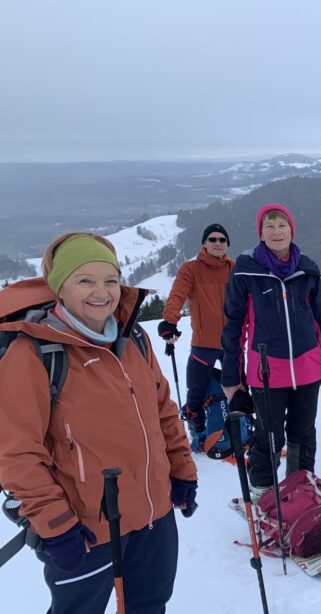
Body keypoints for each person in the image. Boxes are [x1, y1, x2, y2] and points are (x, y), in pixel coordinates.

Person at [0, 232, 198, 614]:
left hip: (154, 518)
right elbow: (17, 453)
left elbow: (163, 411)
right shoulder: (34, 353)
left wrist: (182, 470)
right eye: (85, 280)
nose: (101, 292)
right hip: (86, 531)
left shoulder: (133, 337)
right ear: (60, 287)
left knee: (150, 606)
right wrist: (56, 525)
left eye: (110, 280)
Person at [221, 204, 321, 495]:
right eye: (270, 226)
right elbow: (234, 327)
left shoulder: (307, 269)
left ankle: (300, 488)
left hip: (308, 368)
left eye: (282, 225)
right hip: (266, 371)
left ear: (292, 230)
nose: (276, 232)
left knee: (304, 434)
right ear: (260, 232)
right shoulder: (246, 271)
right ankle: (263, 491)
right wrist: (231, 377)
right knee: (270, 436)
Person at [159, 223, 234, 449]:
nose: (218, 243)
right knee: (196, 389)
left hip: (232, 341)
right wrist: (170, 322)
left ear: (227, 244)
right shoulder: (190, 269)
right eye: (213, 239)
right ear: (204, 243)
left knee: (237, 387)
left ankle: (239, 429)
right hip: (204, 342)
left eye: (222, 239)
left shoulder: (234, 269)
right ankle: (199, 429)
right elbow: (177, 295)